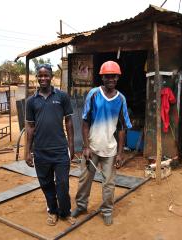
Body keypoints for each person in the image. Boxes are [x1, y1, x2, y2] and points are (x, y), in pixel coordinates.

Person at [71, 60, 132, 226]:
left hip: (110, 150)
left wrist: (120, 153)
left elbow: (121, 128)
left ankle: (107, 211)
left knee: (109, 184)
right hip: (92, 148)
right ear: (102, 77)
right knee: (85, 180)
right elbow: (85, 122)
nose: (111, 79)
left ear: (117, 78)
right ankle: (81, 206)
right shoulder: (94, 94)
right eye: (107, 76)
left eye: (114, 76)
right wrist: (85, 146)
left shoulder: (121, 99)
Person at [25, 63, 76, 226]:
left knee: (62, 184)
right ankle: (53, 211)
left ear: (51, 76)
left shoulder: (62, 97)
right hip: (40, 151)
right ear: (37, 77)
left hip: (60, 150)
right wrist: (27, 151)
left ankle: (65, 212)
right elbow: (30, 127)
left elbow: (68, 122)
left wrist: (71, 145)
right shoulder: (31, 101)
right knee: (46, 184)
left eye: (46, 75)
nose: (43, 78)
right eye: (40, 75)